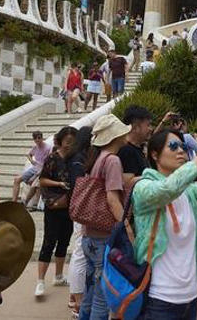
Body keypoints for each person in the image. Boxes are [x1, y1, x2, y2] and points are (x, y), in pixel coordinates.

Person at [131, 128, 197, 320]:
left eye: (182, 146)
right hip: (159, 297)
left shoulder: (189, 191)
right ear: (155, 154)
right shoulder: (143, 188)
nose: (180, 151)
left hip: (190, 296)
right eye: (173, 146)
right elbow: (166, 189)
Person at [78, 114, 130, 320]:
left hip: (88, 236)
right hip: (103, 237)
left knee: (89, 294)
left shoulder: (98, 158)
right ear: (115, 136)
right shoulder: (113, 160)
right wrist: (127, 227)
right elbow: (112, 200)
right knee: (102, 298)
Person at [35, 126, 77, 297]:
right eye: (67, 142)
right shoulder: (52, 158)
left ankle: (58, 276)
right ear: (60, 141)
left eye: (73, 142)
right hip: (54, 205)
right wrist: (59, 184)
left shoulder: (76, 159)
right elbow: (42, 180)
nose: (69, 145)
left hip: (70, 206)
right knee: (49, 241)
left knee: (65, 240)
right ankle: (40, 281)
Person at [65, 126, 93, 317]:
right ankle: (77, 302)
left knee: (79, 252)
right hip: (81, 210)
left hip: (78, 209)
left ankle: (74, 298)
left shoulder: (76, 157)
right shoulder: (79, 160)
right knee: (80, 253)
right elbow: (79, 186)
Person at [11, 131, 51, 203]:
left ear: (42, 138)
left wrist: (34, 177)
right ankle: (14, 201)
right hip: (35, 168)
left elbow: (47, 164)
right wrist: (32, 161)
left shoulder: (48, 148)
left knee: (33, 184)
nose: (37, 140)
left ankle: (27, 202)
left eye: (39, 138)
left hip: (42, 170)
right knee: (17, 180)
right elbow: (29, 154)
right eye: (35, 138)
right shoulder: (35, 147)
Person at [117, 106, 153, 177]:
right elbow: (128, 182)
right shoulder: (127, 151)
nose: (151, 129)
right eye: (148, 125)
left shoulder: (137, 148)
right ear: (135, 127)